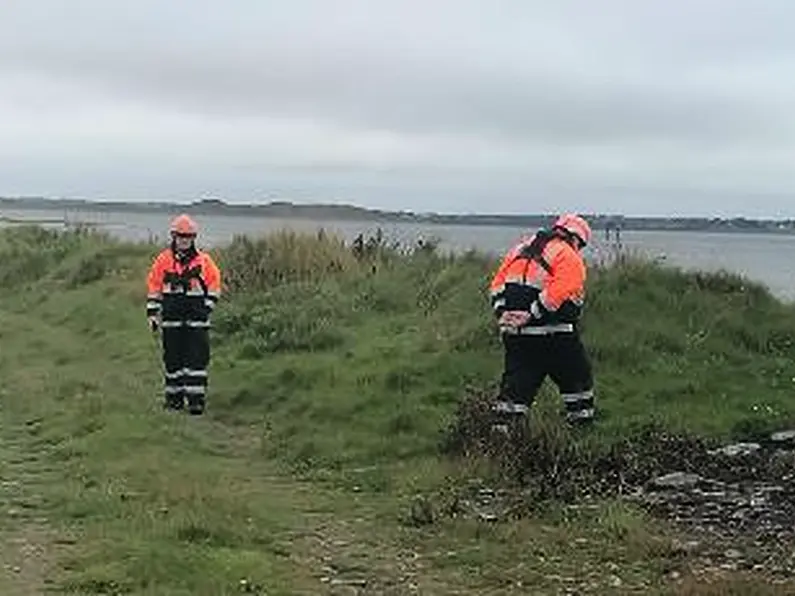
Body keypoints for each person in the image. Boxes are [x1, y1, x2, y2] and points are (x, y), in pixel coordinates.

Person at [488, 213, 595, 429]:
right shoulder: (567, 254)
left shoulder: (519, 249)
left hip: (515, 334)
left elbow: (497, 284)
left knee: (515, 388)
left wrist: (503, 313)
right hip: (555, 334)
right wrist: (532, 313)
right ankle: (582, 431)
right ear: (576, 238)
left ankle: (501, 439)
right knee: (578, 379)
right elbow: (563, 289)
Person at [146, 214, 222, 415]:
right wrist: (153, 314)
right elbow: (154, 286)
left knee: (197, 360)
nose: (184, 240)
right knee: (173, 360)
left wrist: (207, 307)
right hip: (171, 319)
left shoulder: (205, 262)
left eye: (188, 236)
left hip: (197, 320)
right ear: (174, 236)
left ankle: (196, 401)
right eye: (180, 236)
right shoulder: (163, 260)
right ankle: (174, 400)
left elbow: (215, 285)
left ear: (193, 237)